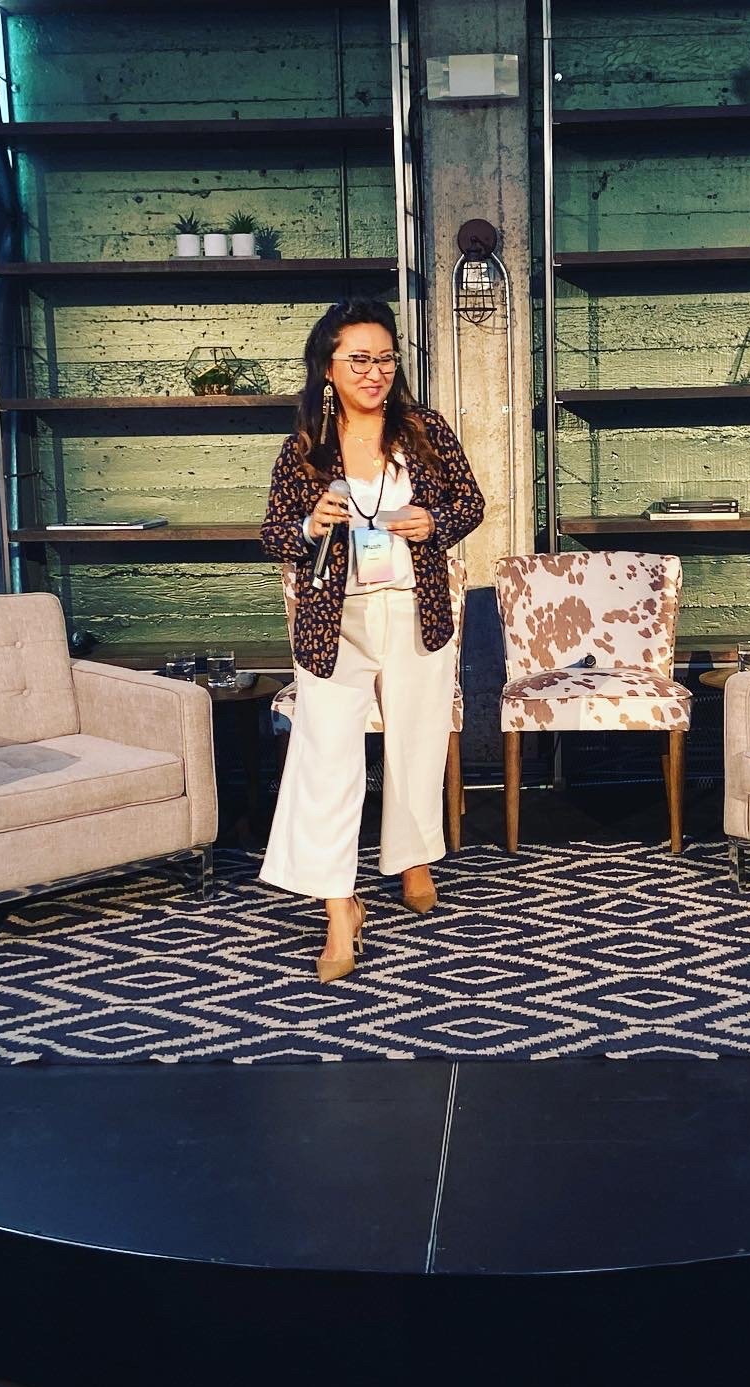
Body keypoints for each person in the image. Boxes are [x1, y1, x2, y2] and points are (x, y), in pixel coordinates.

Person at [258, 299, 485, 982]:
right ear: (327, 367)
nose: (375, 371)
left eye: (384, 357)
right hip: (335, 623)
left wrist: (430, 522)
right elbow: (273, 534)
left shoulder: (424, 430)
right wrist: (307, 525)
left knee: (416, 744)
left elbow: (468, 503)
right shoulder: (305, 445)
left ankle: (411, 858)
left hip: (415, 613)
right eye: (359, 359)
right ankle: (338, 910)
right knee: (327, 759)